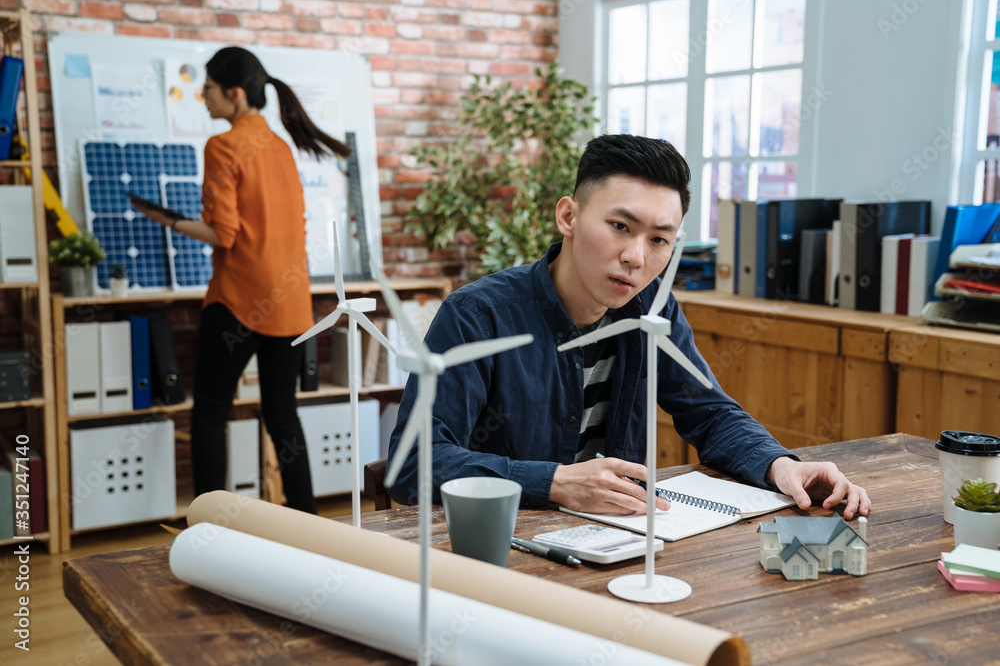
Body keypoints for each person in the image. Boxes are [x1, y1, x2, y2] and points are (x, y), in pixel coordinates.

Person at [387, 134, 871, 520]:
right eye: (620, 226)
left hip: (620, 545)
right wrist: (554, 481)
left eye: (660, 239)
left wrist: (782, 465)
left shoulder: (653, 311)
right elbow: (414, 464)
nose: (636, 257)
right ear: (568, 216)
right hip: (499, 550)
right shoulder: (478, 315)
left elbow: (709, 413)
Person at [134, 47, 352, 513]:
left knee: (211, 411)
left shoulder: (223, 145)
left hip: (237, 303)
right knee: (283, 417)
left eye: (208, 88)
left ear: (233, 95)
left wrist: (166, 219)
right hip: (291, 306)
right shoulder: (280, 147)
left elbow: (224, 234)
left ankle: (208, 524)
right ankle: (308, 524)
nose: (203, 96)